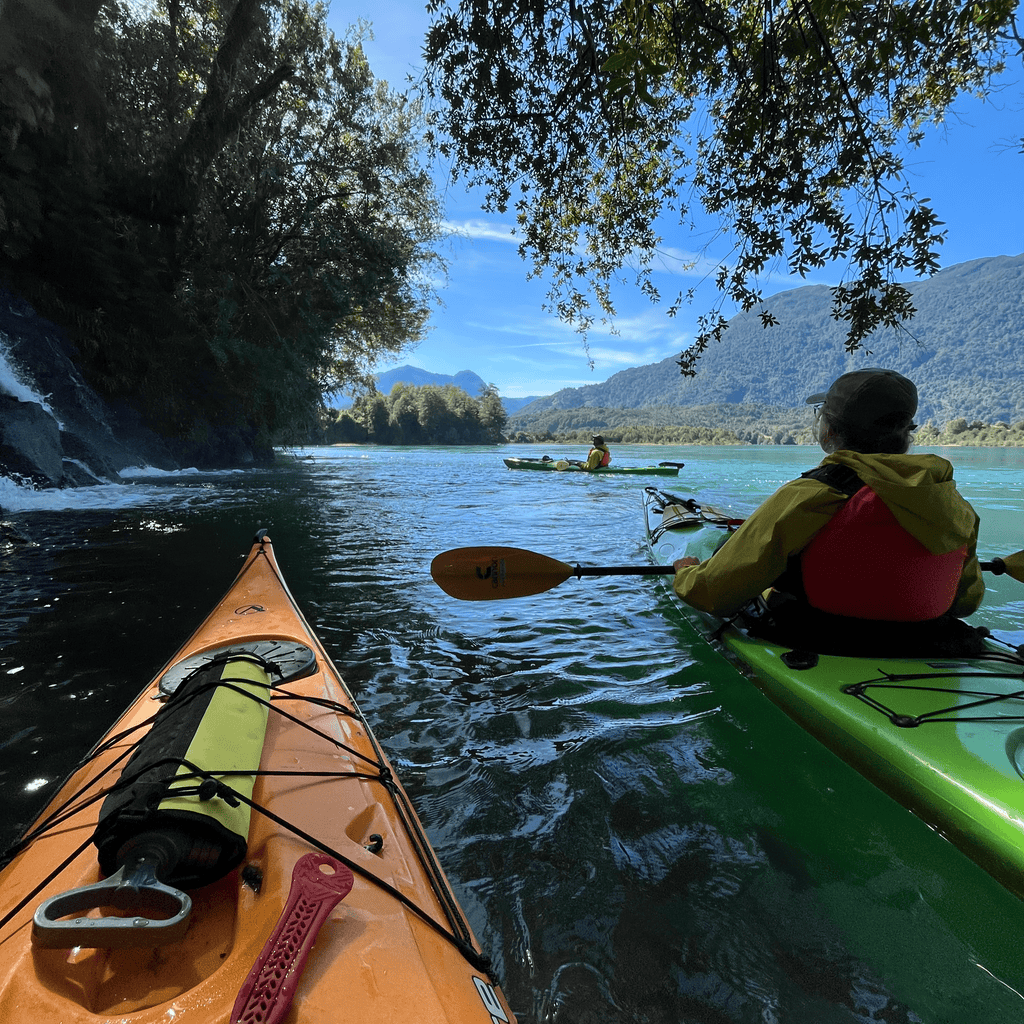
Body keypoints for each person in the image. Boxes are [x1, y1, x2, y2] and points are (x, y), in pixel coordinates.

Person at [671, 368, 985, 655]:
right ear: (905, 435)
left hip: (823, 641)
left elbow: (714, 594)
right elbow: (965, 602)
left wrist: (686, 574)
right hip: (933, 641)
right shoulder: (951, 503)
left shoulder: (811, 495)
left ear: (830, 432)